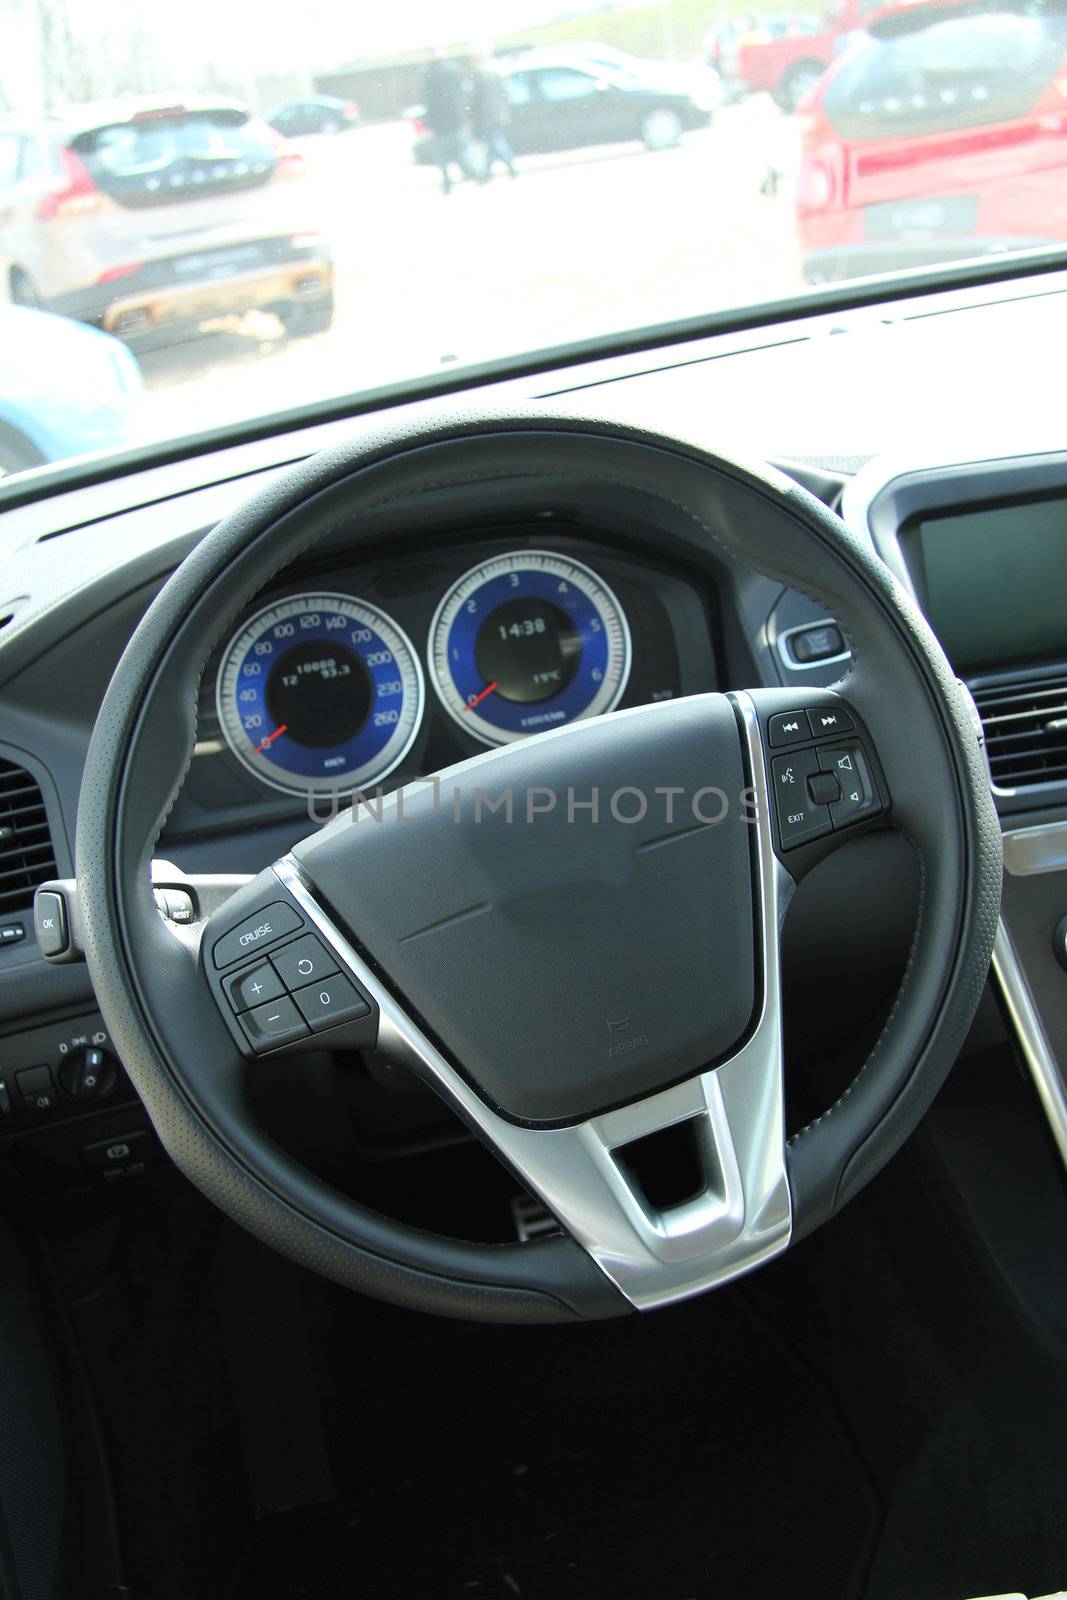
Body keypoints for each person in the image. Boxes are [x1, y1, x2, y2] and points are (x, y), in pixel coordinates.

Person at [421, 49, 476, 196]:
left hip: (438, 122)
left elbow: (427, 100)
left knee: (442, 155)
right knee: (461, 149)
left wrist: (428, 123)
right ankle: (471, 173)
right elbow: (462, 95)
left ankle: (447, 182)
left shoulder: (428, 73)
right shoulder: (453, 69)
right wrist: (465, 116)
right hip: (456, 119)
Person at [470, 58, 516, 182]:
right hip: (497, 114)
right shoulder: (496, 73)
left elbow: (475, 98)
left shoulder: (479, 74)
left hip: (486, 116)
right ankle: (487, 173)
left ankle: (510, 166)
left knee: (495, 142)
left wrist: (473, 116)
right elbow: (504, 93)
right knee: (493, 143)